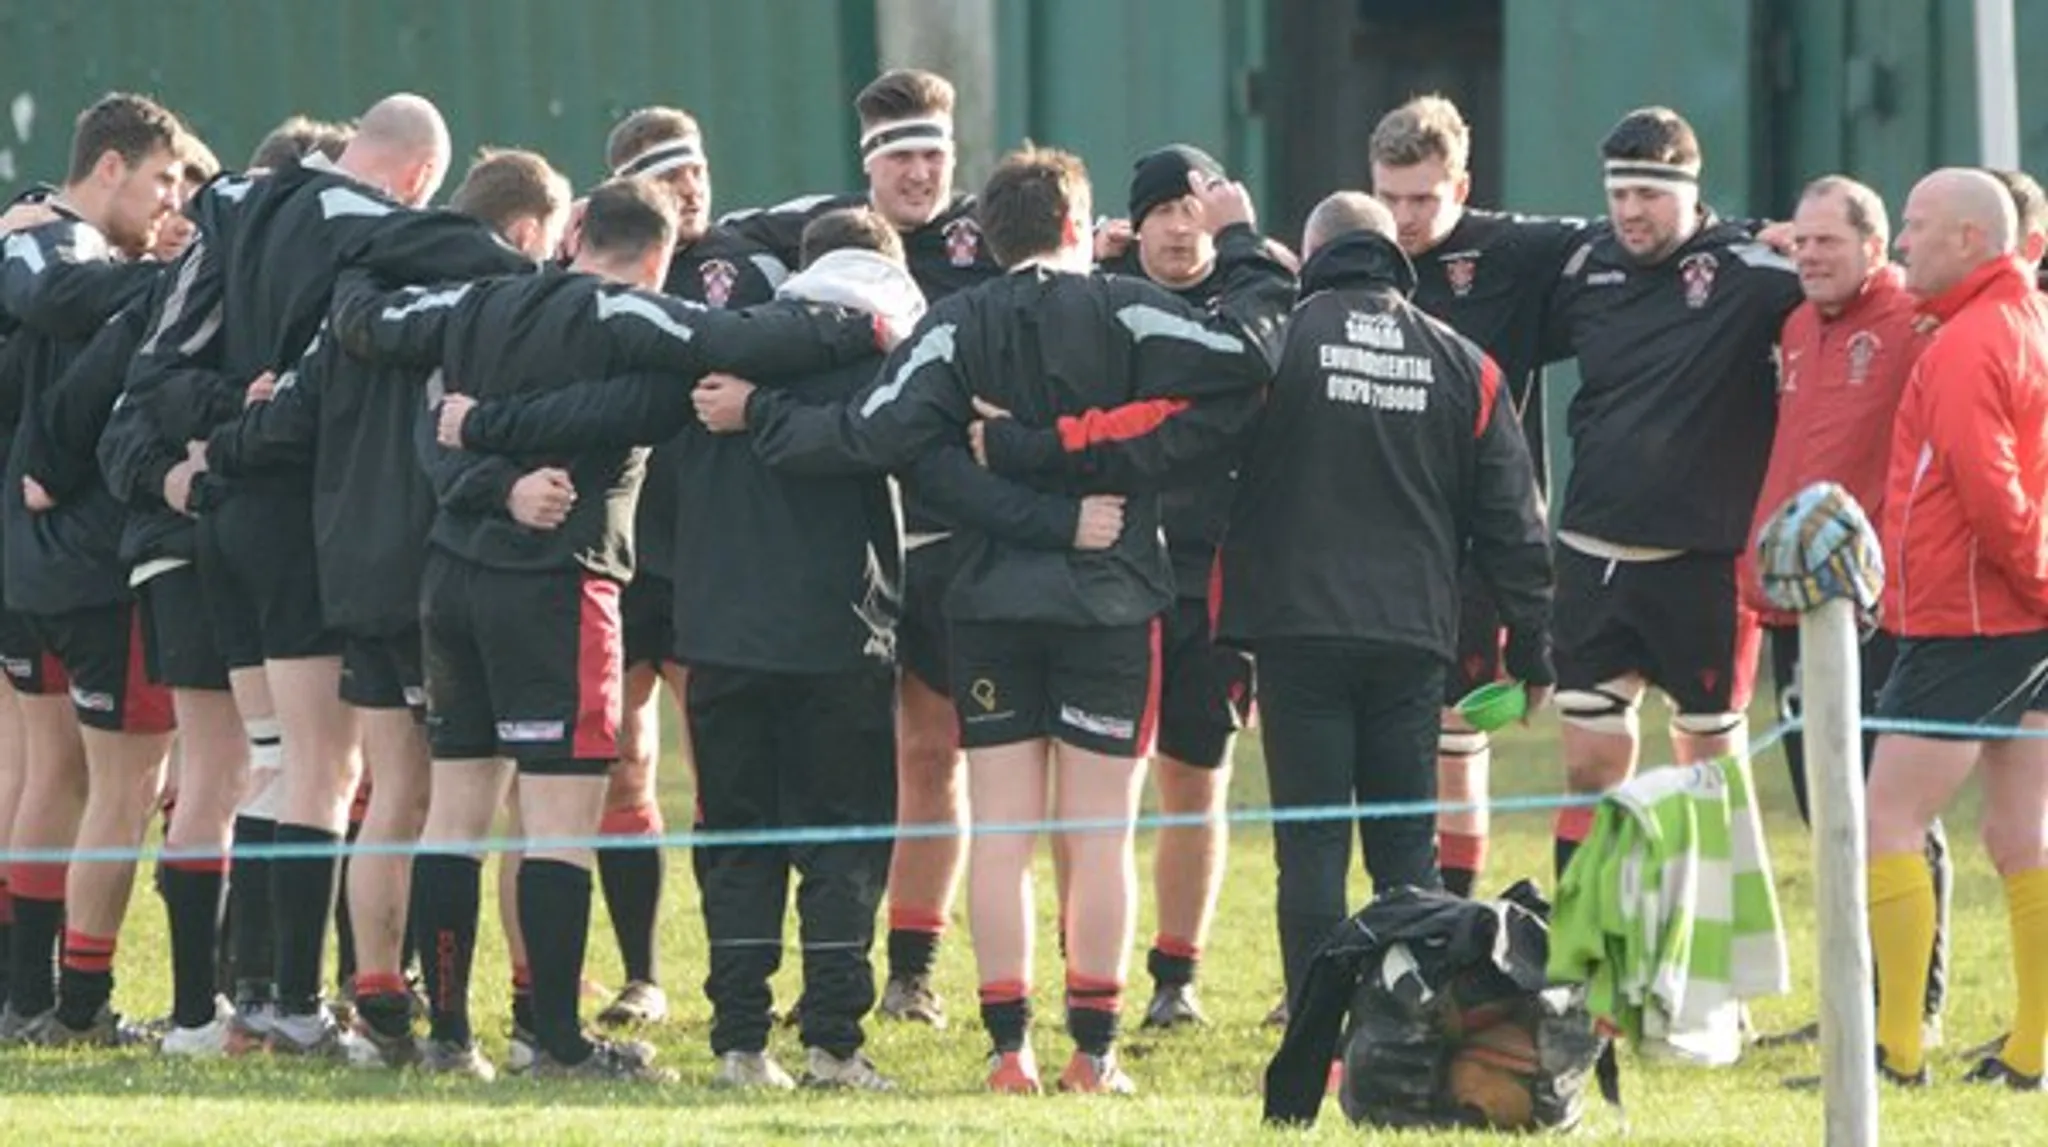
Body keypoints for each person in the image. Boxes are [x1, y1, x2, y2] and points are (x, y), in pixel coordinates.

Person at [695, 146, 1289, 1094]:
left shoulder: (950, 322)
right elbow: (1249, 354)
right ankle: (1094, 1051)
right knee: (1099, 835)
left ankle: (1009, 1050)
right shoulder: (1127, 305)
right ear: (1076, 227)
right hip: (1111, 600)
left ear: (993, 234)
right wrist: (1242, 240)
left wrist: (761, 408)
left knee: (1002, 832)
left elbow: (874, 430)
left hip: (986, 607)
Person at [330, 175, 884, 1080]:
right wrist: (858, 322)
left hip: (451, 577)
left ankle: (449, 1036)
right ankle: (555, 1039)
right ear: (660, 258)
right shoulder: (625, 312)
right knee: (557, 820)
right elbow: (722, 341)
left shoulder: (478, 301)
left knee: (457, 813)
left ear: (578, 230)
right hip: (558, 581)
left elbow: (438, 425)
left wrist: (492, 467)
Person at [196, 147, 566, 1064]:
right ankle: (462, 1023)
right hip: (437, 570)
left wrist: (218, 453)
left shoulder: (347, 309)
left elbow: (287, 421)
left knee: (387, 790)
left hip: (350, 574)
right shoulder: (488, 303)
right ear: (523, 233)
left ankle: (372, 1001)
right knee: (464, 800)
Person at [1216, 190, 1553, 1008]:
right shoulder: (1464, 363)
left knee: (1312, 846)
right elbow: (1516, 525)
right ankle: (1406, 1016)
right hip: (1412, 640)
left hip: (1297, 635)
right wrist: (1535, 651)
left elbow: (1210, 472)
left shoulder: (1279, 345)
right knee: (1407, 849)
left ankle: (1317, 1025)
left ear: (1312, 253)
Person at [721, 69, 1001, 1025]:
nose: (921, 173)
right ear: (869, 164)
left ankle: (911, 968)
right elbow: (704, 235)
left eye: (934, 154)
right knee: (837, 759)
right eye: (902, 156)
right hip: (845, 548)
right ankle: (828, 961)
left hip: (950, 537)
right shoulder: (818, 232)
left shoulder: (984, 235)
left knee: (933, 754)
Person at [1540, 107, 1801, 876]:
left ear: (1691, 190)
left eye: (1649, 194)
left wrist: (1797, 233)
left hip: (1702, 563)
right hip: (1593, 553)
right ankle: (1588, 960)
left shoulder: (1752, 271)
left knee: (1710, 768)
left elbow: (1861, 271)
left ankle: (1723, 979)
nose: (1630, 211)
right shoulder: (1585, 261)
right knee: (1589, 767)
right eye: (1619, 192)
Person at [1741, 176, 1950, 1051]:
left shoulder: (1914, 322)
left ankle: (1912, 1006)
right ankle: (1848, 997)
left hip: (1879, 611)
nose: (1812, 257)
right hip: (1794, 606)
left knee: (1888, 806)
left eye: (1832, 242)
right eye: (1805, 242)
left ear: (1877, 247)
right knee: (1825, 806)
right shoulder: (1793, 326)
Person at [0, 93, 189, 1043]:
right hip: (90, 562)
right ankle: (75, 1004)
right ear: (108, 166)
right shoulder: (55, 252)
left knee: (50, 773)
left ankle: (23, 996)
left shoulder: (59, 250)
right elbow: (52, 305)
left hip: (30, 563)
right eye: (162, 178)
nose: (169, 202)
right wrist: (179, 274)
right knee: (122, 781)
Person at [1367, 95, 1587, 903]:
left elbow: (1631, 241)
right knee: (1383, 745)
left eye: (1422, 197)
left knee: (1459, 736)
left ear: (1463, 186)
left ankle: (1450, 922)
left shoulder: (1517, 251)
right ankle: (1388, 921)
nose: (1404, 216)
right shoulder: (1353, 251)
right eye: (1390, 196)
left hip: (1477, 548)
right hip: (1378, 541)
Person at [1866, 167, 2048, 1090]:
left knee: (1888, 815)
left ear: (1972, 239)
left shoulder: (1973, 339)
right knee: (2022, 833)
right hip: (2010, 612)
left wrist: (2037, 581)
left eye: (1914, 223)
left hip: (1975, 615)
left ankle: (1896, 1049)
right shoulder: (2021, 320)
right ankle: (2031, 1050)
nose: (1901, 242)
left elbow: (1990, 488)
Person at [1075, 142, 1257, 1029]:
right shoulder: (1100, 300)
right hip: (1111, 576)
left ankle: (1175, 976)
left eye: (1196, 211)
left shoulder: (1253, 302)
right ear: (1134, 221)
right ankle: (1083, 978)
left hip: (1212, 582)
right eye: (1162, 212)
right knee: (1100, 787)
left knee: (1198, 781)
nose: (1181, 229)